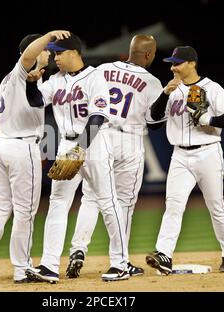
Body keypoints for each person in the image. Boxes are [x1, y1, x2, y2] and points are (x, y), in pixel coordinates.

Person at [25, 33, 129, 283]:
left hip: (93, 143)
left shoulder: (95, 77)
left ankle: (121, 263)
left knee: (107, 201)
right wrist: (31, 82)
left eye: (59, 53)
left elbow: (98, 116)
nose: (55, 57)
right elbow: (36, 101)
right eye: (54, 53)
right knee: (58, 203)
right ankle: (49, 265)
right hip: (65, 142)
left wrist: (79, 150)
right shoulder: (55, 80)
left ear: (74, 52)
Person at [0, 31, 70, 284]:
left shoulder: (11, 80)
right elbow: (27, 54)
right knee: (25, 212)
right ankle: (21, 268)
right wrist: (47, 35)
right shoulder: (19, 73)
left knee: (0, 206)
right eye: (47, 49)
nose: (50, 53)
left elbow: (1, 116)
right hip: (22, 147)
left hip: (4, 143)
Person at [65, 35, 166, 278]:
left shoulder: (102, 69)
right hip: (129, 140)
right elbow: (154, 124)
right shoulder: (152, 82)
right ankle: (120, 261)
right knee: (123, 204)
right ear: (149, 55)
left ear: (130, 50)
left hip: (101, 134)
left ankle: (78, 250)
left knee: (91, 198)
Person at [145, 46, 224, 274]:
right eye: (172, 63)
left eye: (177, 63)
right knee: (173, 206)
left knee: (216, 206)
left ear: (191, 63)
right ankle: (164, 254)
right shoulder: (173, 90)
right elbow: (154, 119)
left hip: (208, 152)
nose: (172, 67)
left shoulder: (212, 88)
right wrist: (165, 93)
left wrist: (210, 118)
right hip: (179, 154)